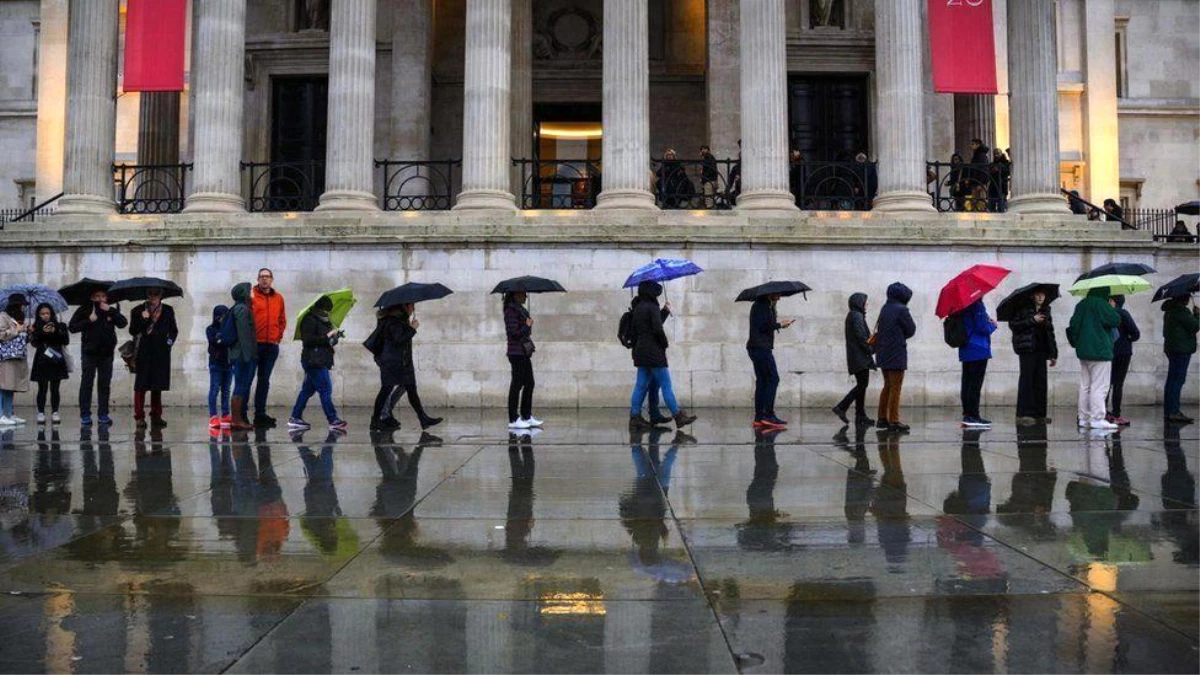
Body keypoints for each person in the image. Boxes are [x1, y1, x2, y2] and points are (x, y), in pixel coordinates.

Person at [628, 281, 696, 429]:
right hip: (653, 352)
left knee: (640, 386)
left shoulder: (638, 307)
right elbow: (657, 329)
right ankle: (678, 416)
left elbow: (647, 325)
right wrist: (664, 343)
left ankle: (635, 417)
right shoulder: (652, 307)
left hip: (640, 350)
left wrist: (664, 311)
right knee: (666, 385)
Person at [368, 303, 442, 431]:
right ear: (404, 307)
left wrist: (408, 327)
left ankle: (423, 418)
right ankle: (375, 420)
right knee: (386, 390)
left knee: (411, 390)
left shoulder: (399, 320)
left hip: (402, 362)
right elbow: (399, 339)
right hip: (392, 363)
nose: (413, 309)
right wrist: (412, 329)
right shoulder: (392, 321)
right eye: (411, 306)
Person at [288, 295, 347, 431]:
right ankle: (333, 419)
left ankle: (295, 417)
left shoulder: (325, 322)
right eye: (326, 311)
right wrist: (327, 336)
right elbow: (308, 340)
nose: (328, 313)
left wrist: (335, 337)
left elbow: (327, 343)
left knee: (307, 390)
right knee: (326, 389)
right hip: (313, 360)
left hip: (321, 359)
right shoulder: (309, 319)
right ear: (320, 309)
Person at [69, 288, 126, 426]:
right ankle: (85, 415)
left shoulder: (111, 310)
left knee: (104, 384)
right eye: (97, 296)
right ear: (92, 297)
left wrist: (111, 311)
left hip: (106, 353)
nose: (100, 299)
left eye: (103, 296)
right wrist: (89, 320)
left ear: (107, 298)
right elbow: (72, 327)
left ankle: (103, 414)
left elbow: (123, 323)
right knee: (87, 383)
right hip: (89, 352)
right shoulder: (85, 309)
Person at [1066, 288, 1121, 430]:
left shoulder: (1081, 305)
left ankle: (1084, 418)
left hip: (1084, 352)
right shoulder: (1101, 304)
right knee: (1100, 386)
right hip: (1100, 352)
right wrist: (1111, 307)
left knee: (1085, 386)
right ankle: (1097, 418)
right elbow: (1115, 320)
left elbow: (1073, 326)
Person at [129, 288, 178, 428]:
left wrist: (168, 343)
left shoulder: (168, 310)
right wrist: (143, 319)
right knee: (141, 386)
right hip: (143, 352)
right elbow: (133, 330)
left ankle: (156, 415)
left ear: (161, 295)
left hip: (161, 352)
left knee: (157, 385)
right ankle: (139, 417)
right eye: (150, 293)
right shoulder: (137, 310)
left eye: (156, 294)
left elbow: (173, 330)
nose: (153, 297)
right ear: (147, 294)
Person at [1009, 289, 1058, 425]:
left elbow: (1050, 332)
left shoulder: (1046, 310)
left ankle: (1040, 414)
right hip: (1027, 349)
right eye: (1037, 294)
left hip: (1041, 350)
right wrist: (1032, 320)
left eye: (1042, 294)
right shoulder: (1022, 309)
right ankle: (1024, 414)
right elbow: (1014, 325)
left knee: (1041, 382)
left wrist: (1053, 353)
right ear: (1032, 296)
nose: (1040, 296)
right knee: (1027, 381)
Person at [746, 293, 795, 428]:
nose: (780, 298)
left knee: (762, 381)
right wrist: (779, 325)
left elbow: (765, 325)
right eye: (778, 295)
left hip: (757, 347)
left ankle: (759, 417)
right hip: (760, 348)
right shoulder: (762, 306)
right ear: (770, 294)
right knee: (773, 378)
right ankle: (768, 415)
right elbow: (763, 326)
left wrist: (777, 323)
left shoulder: (765, 305)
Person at [875, 283, 916, 431]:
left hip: (883, 353)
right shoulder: (901, 309)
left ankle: (881, 418)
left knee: (887, 386)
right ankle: (894, 420)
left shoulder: (885, 308)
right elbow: (911, 330)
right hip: (896, 353)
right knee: (896, 388)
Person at [250, 268, 287, 427]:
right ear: (258, 279)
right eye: (262, 277)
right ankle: (241, 415)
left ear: (272, 279)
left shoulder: (278, 298)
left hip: (271, 345)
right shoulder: (251, 296)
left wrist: (277, 337)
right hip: (254, 345)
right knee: (247, 380)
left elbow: (282, 320)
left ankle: (260, 414)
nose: (264, 279)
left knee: (264, 381)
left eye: (267, 277)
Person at [832, 293, 875, 427]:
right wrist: (871, 349)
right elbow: (861, 337)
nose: (867, 305)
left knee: (862, 385)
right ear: (859, 302)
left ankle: (860, 415)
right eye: (865, 302)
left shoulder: (855, 315)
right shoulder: (856, 315)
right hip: (860, 356)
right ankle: (841, 407)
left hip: (858, 356)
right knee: (862, 384)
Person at [504, 292, 541, 430]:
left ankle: (526, 415)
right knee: (516, 385)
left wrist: (528, 325)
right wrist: (526, 325)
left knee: (529, 383)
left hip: (523, 352)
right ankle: (513, 418)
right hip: (516, 353)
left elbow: (524, 331)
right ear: (515, 295)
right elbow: (513, 333)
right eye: (522, 293)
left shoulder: (520, 309)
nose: (525, 296)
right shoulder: (510, 311)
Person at [957, 300, 998, 427]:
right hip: (978, 349)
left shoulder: (962, 305)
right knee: (975, 384)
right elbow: (982, 328)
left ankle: (967, 414)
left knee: (967, 383)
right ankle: (973, 415)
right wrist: (993, 325)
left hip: (966, 349)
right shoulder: (977, 305)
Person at [1161, 294, 1200, 424]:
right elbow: (1194, 326)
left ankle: (1170, 410)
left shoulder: (1169, 311)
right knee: (1177, 380)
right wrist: (1198, 314)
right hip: (1181, 350)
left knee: (1172, 380)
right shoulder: (1181, 311)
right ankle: (1174, 411)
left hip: (1173, 349)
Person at [29, 303, 69, 424]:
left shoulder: (60, 325)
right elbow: (34, 343)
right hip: (42, 360)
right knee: (42, 388)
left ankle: (55, 412)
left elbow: (66, 341)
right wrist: (39, 332)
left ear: (51, 314)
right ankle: (41, 413)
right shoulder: (35, 326)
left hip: (56, 359)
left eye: (47, 313)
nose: (45, 316)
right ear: (38, 315)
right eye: (42, 313)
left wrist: (55, 331)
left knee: (55, 388)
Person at [227, 283, 258, 430]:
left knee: (242, 386)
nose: (252, 293)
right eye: (249, 290)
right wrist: (248, 356)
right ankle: (236, 420)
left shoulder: (242, 307)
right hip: (242, 355)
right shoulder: (242, 309)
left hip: (243, 354)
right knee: (240, 386)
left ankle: (237, 419)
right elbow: (244, 334)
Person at [1107, 295, 1140, 426]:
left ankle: (1103, 412)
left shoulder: (1108, 314)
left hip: (1109, 352)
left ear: (1112, 301)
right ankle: (1116, 413)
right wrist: (1127, 339)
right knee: (1118, 384)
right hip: (1124, 353)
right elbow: (1136, 333)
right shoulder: (1124, 313)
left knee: (1106, 384)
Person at [0, 294, 30, 426]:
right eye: (22, 305)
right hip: (5, 357)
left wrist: (26, 331)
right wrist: (16, 330)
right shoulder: (3, 317)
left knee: (10, 386)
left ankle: (8, 413)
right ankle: (1, 414)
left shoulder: (17, 318)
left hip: (16, 356)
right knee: (3, 386)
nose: (23, 308)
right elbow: (1, 335)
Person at [205, 304, 233, 429]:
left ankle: (226, 414)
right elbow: (215, 341)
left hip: (228, 363)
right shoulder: (210, 329)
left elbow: (228, 341)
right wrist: (222, 339)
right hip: (216, 363)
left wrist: (222, 339)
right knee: (214, 389)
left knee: (226, 390)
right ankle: (213, 416)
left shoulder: (229, 329)